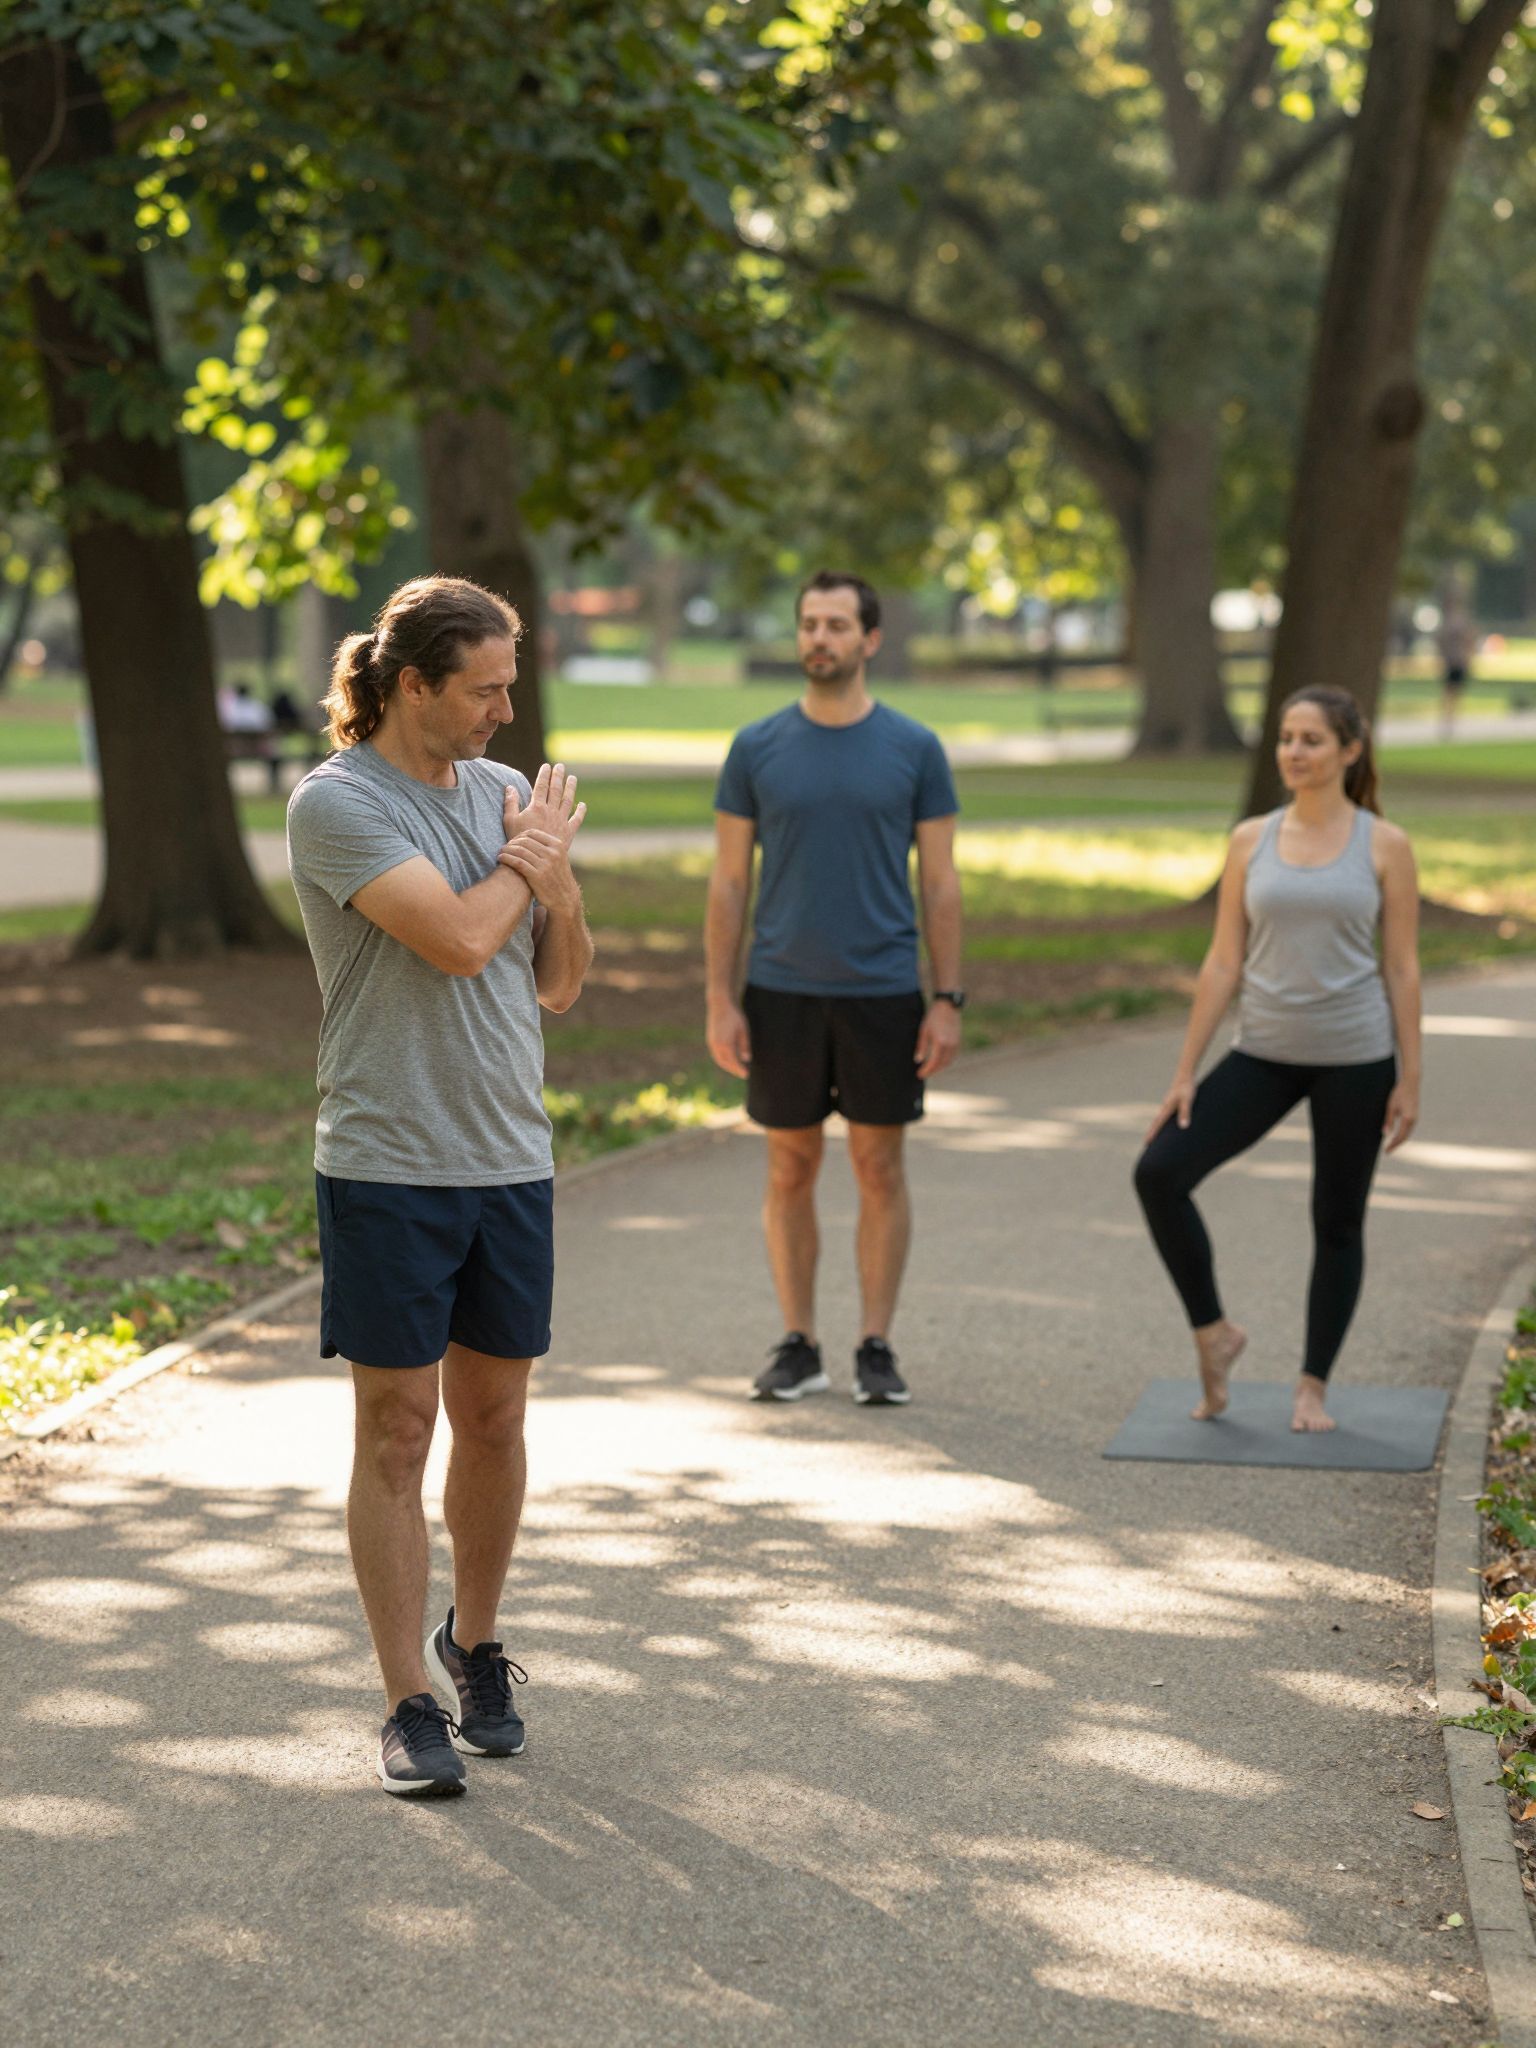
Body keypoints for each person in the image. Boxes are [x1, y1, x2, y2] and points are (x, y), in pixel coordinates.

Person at [286, 575, 592, 1797]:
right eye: (485, 688)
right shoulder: (337, 803)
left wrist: (554, 881)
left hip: (509, 1155)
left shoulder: (510, 800)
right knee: (397, 1429)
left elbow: (556, 980)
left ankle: (475, 1643)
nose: (505, 713)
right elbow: (462, 940)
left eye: (510, 685)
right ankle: (404, 1700)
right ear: (413, 685)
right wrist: (535, 863)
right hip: (387, 1164)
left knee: (499, 1420)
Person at [706, 570, 964, 1408]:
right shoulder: (756, 748)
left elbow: (943, 882)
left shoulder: (915, 748)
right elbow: (728, 882)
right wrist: (719, 995)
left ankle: (875, 1345)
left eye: (837, 625)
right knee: (789, 1167)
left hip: (884, 988)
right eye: (809, 624)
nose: (819, 638)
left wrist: (947, 998)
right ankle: (800, 1342)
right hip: (780, 987)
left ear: (870, 639)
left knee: (879, 1166)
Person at [1133, 687, 1422, 1434]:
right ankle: (1214, 1334)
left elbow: (1401, 969)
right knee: (1160, 1172)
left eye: (1312, 740)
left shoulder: (1384, 846)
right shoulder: (1250, 839)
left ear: (1350, 751)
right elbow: (1223, 962)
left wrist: (1410, 1078)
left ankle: (1312, 1387)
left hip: (1356, 1058)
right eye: (1287, 738)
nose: (1294, 752)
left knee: (1336, 1221)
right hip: (1263, 1050)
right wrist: (1185, 1070)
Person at [1436, 610, 1477, 737]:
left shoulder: (1448, 624)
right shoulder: (1459, 625)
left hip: (1453, 661)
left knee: (1450, 693)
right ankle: (1449, 720)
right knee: (1452, 693)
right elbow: (1469, 640)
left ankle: (1449, 720)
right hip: (1456, 662)